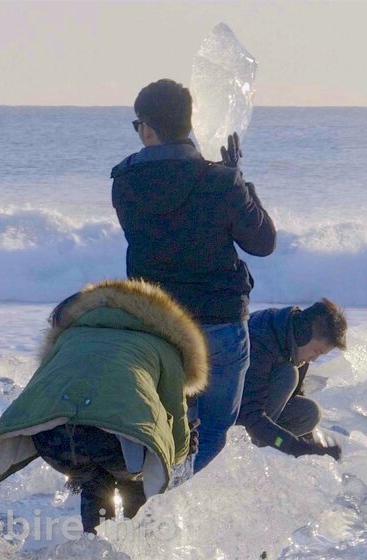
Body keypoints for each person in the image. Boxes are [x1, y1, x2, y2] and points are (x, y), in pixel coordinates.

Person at [111, 79, 276, 471]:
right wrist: (240, 182)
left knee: (166, 424)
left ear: (148, 128)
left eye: (138, 126)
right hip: (218, 323)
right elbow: (263, 242)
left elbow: (165, 223)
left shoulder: (124, 183)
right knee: (215, 429)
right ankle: (166, 493)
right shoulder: (221, 182)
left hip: (158, 324)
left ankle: (148, 490)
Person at [0, 279, 208, 534]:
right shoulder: (165, 346)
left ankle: (92, 543)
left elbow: (41, 395)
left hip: (50, 441)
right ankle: (135, 543)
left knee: (96, 476)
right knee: (135, 464)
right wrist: (181, 451)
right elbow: (176, 429)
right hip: (114, 447)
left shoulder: (71, 337)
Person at [237, 300, 347, 460]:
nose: (314, 359)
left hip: (254, 413)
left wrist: (314, 448)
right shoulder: (260, 341)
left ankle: (269, 441)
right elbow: (249, 415)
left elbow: (295, 394)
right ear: (304, 334)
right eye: (316, 351)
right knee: (288, 375)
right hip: (229, 415)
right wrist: (298, 448)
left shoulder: (292, 339)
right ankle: (249, 449)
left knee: (309, 413)